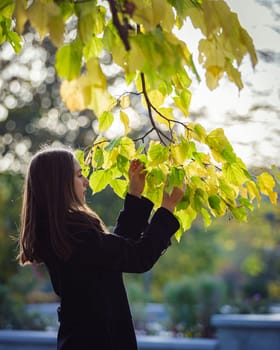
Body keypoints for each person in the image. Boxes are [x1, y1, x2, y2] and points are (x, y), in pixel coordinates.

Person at [18, 146, 185, 350]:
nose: (85, 181)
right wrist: (167, 208)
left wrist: (135, 195)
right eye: (79, 175)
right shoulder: (75, 234)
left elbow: (115, 255)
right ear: (59, 184)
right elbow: (139, 257)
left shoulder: (61, 233)